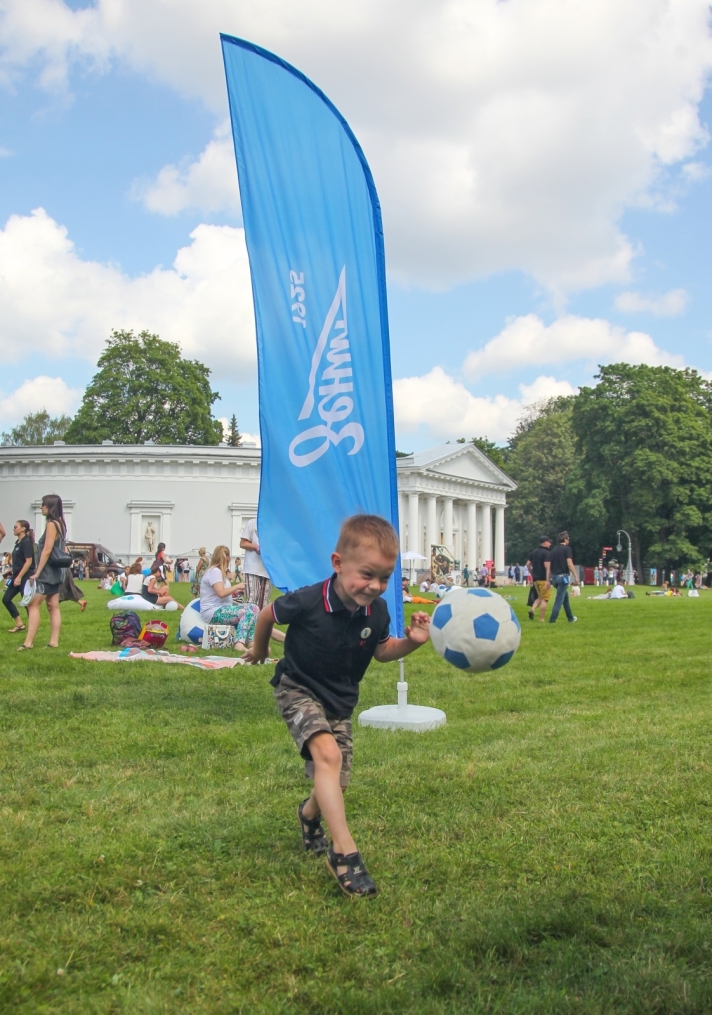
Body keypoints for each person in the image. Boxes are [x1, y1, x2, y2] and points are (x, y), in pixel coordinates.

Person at [244, 514, 431, 899]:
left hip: (339, 704)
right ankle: (344, 853)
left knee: (336, 783)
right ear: (337, 563)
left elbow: (382, 651)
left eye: (384, 578)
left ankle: (309, 815)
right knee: (327, 758)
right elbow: (267, 614)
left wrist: (411, 641)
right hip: (297, 687)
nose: (375, 586)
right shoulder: (310, 599)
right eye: (367, 574)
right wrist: (261, 649)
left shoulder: (376, 612)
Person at [19, 494, 67, 651]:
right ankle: (54, 641)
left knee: (33, 604)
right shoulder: (61, 524)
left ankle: (28, 642)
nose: (41, 507)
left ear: (50, 507)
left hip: (47, 572)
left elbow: (46, 550)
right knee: (53, 606)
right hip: (57, 571)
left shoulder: (52, 524)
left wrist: (37, 572)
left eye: (43, 504)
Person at [199, 544, 260, 649]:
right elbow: (221, 593)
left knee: (255, 608)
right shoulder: (215, 572)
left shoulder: (220, 573)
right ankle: (239, 643)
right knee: (246, 612)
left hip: (221, 607)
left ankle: (251, 642)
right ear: (226, 558)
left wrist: (235, 593)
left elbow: (221, 592)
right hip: (213, 611)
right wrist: (236, 586)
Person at [3, 519, 35, 633]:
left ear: (23, 528)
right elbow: (20, 561)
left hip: (24, 577)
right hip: (17, 576)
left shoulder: (26, 542)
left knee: (28, 604)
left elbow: (29, 561)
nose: (13, 528)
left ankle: (32, 628)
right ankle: (19, 624)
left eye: (15, 526)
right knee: (6, 599)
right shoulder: (18, 543)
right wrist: (11, 571)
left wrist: (20, 577)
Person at [240, 518, 273, 609]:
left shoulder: (275, 525)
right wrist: (256, 547)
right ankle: (249, 622)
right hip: (253, 568)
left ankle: (261, 623)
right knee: (252, 599)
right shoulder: (252, 523)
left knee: (264, 603)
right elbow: (242, 543)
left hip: (268, 570)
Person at [547, 531, 578, 625]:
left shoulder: (553, 551)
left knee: (565, 598)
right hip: (563, 577)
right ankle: (552, 620)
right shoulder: (567, 549)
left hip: (554, 578)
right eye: (568, 539)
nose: (569, 540)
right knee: (559, 599)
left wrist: (548, 580)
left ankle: (570, 618)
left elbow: (549, 567)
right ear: (565, 539)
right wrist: (576, 576)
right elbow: (569, 563)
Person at [527, 535, 552, 622]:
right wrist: (549, 578)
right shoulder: (547, 553)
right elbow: (546, 566)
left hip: (536, 580)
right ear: (545, 542)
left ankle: (532, 610)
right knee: (545, 599)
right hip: (544, 579)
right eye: (549, 542)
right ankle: (541, 618)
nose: (550, 544)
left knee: (540, 597)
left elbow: (528, 564)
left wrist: (532, 573)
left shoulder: (534, 552)